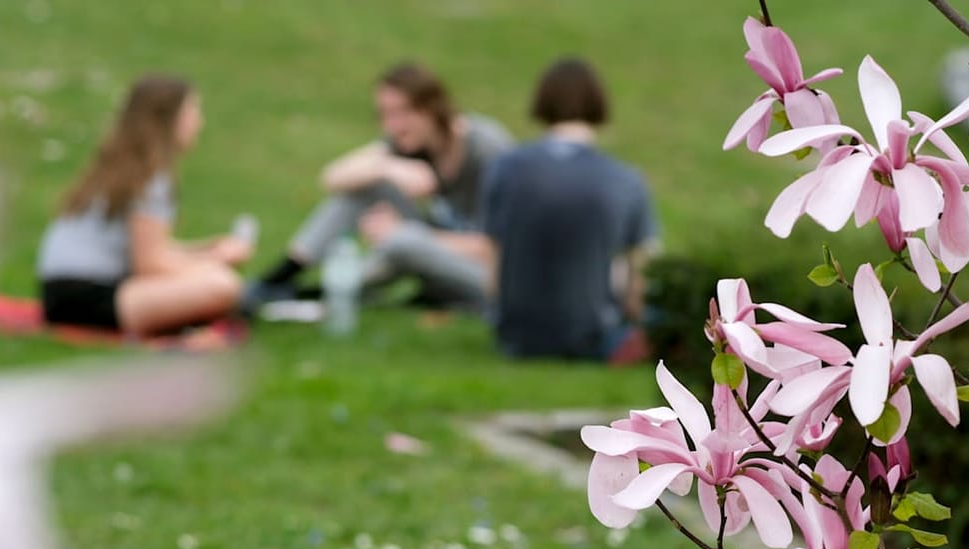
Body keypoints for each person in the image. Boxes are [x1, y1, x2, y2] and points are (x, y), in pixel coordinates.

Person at [246, 62, 512, 312]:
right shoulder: (410, 142)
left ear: (431, 109)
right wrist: (388, 167)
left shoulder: (487, 148)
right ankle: (280, 278)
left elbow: (500, 248)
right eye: (385, 115)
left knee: (402, 240)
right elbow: (331, 177)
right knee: (367, 186)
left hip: (493, 279)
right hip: (434, 253)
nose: (392, 126)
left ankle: (336, 290)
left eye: (402, 113)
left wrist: (408, 233)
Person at [37, 75, 250, 337]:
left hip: (62, 293)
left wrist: (203, 252)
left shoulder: (123, 169)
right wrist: (211, 263)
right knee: (222, 285)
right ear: (168, 118)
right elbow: (149, 265)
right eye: (192, 111)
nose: (199, 122)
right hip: (90, 298)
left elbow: (145, 250)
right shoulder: (150, 180)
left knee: (213, 276)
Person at [483, 57, 659, 362]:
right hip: (589, 337)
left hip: (516, 339)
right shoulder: (625, 180)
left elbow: (493, 265)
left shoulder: (505, 169)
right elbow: (639, 280)